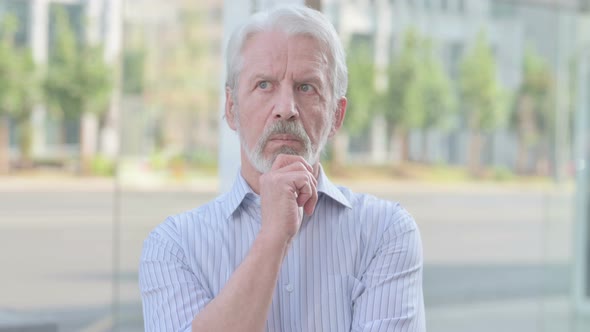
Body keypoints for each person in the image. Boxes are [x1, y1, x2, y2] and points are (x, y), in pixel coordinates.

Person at [139, 4, 425, 332]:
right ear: (231, 109)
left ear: (337, 115)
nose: (286, 109)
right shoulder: (173, 247)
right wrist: (273, 235)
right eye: (264, 85)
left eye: (306, 87)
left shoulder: (386, 232)